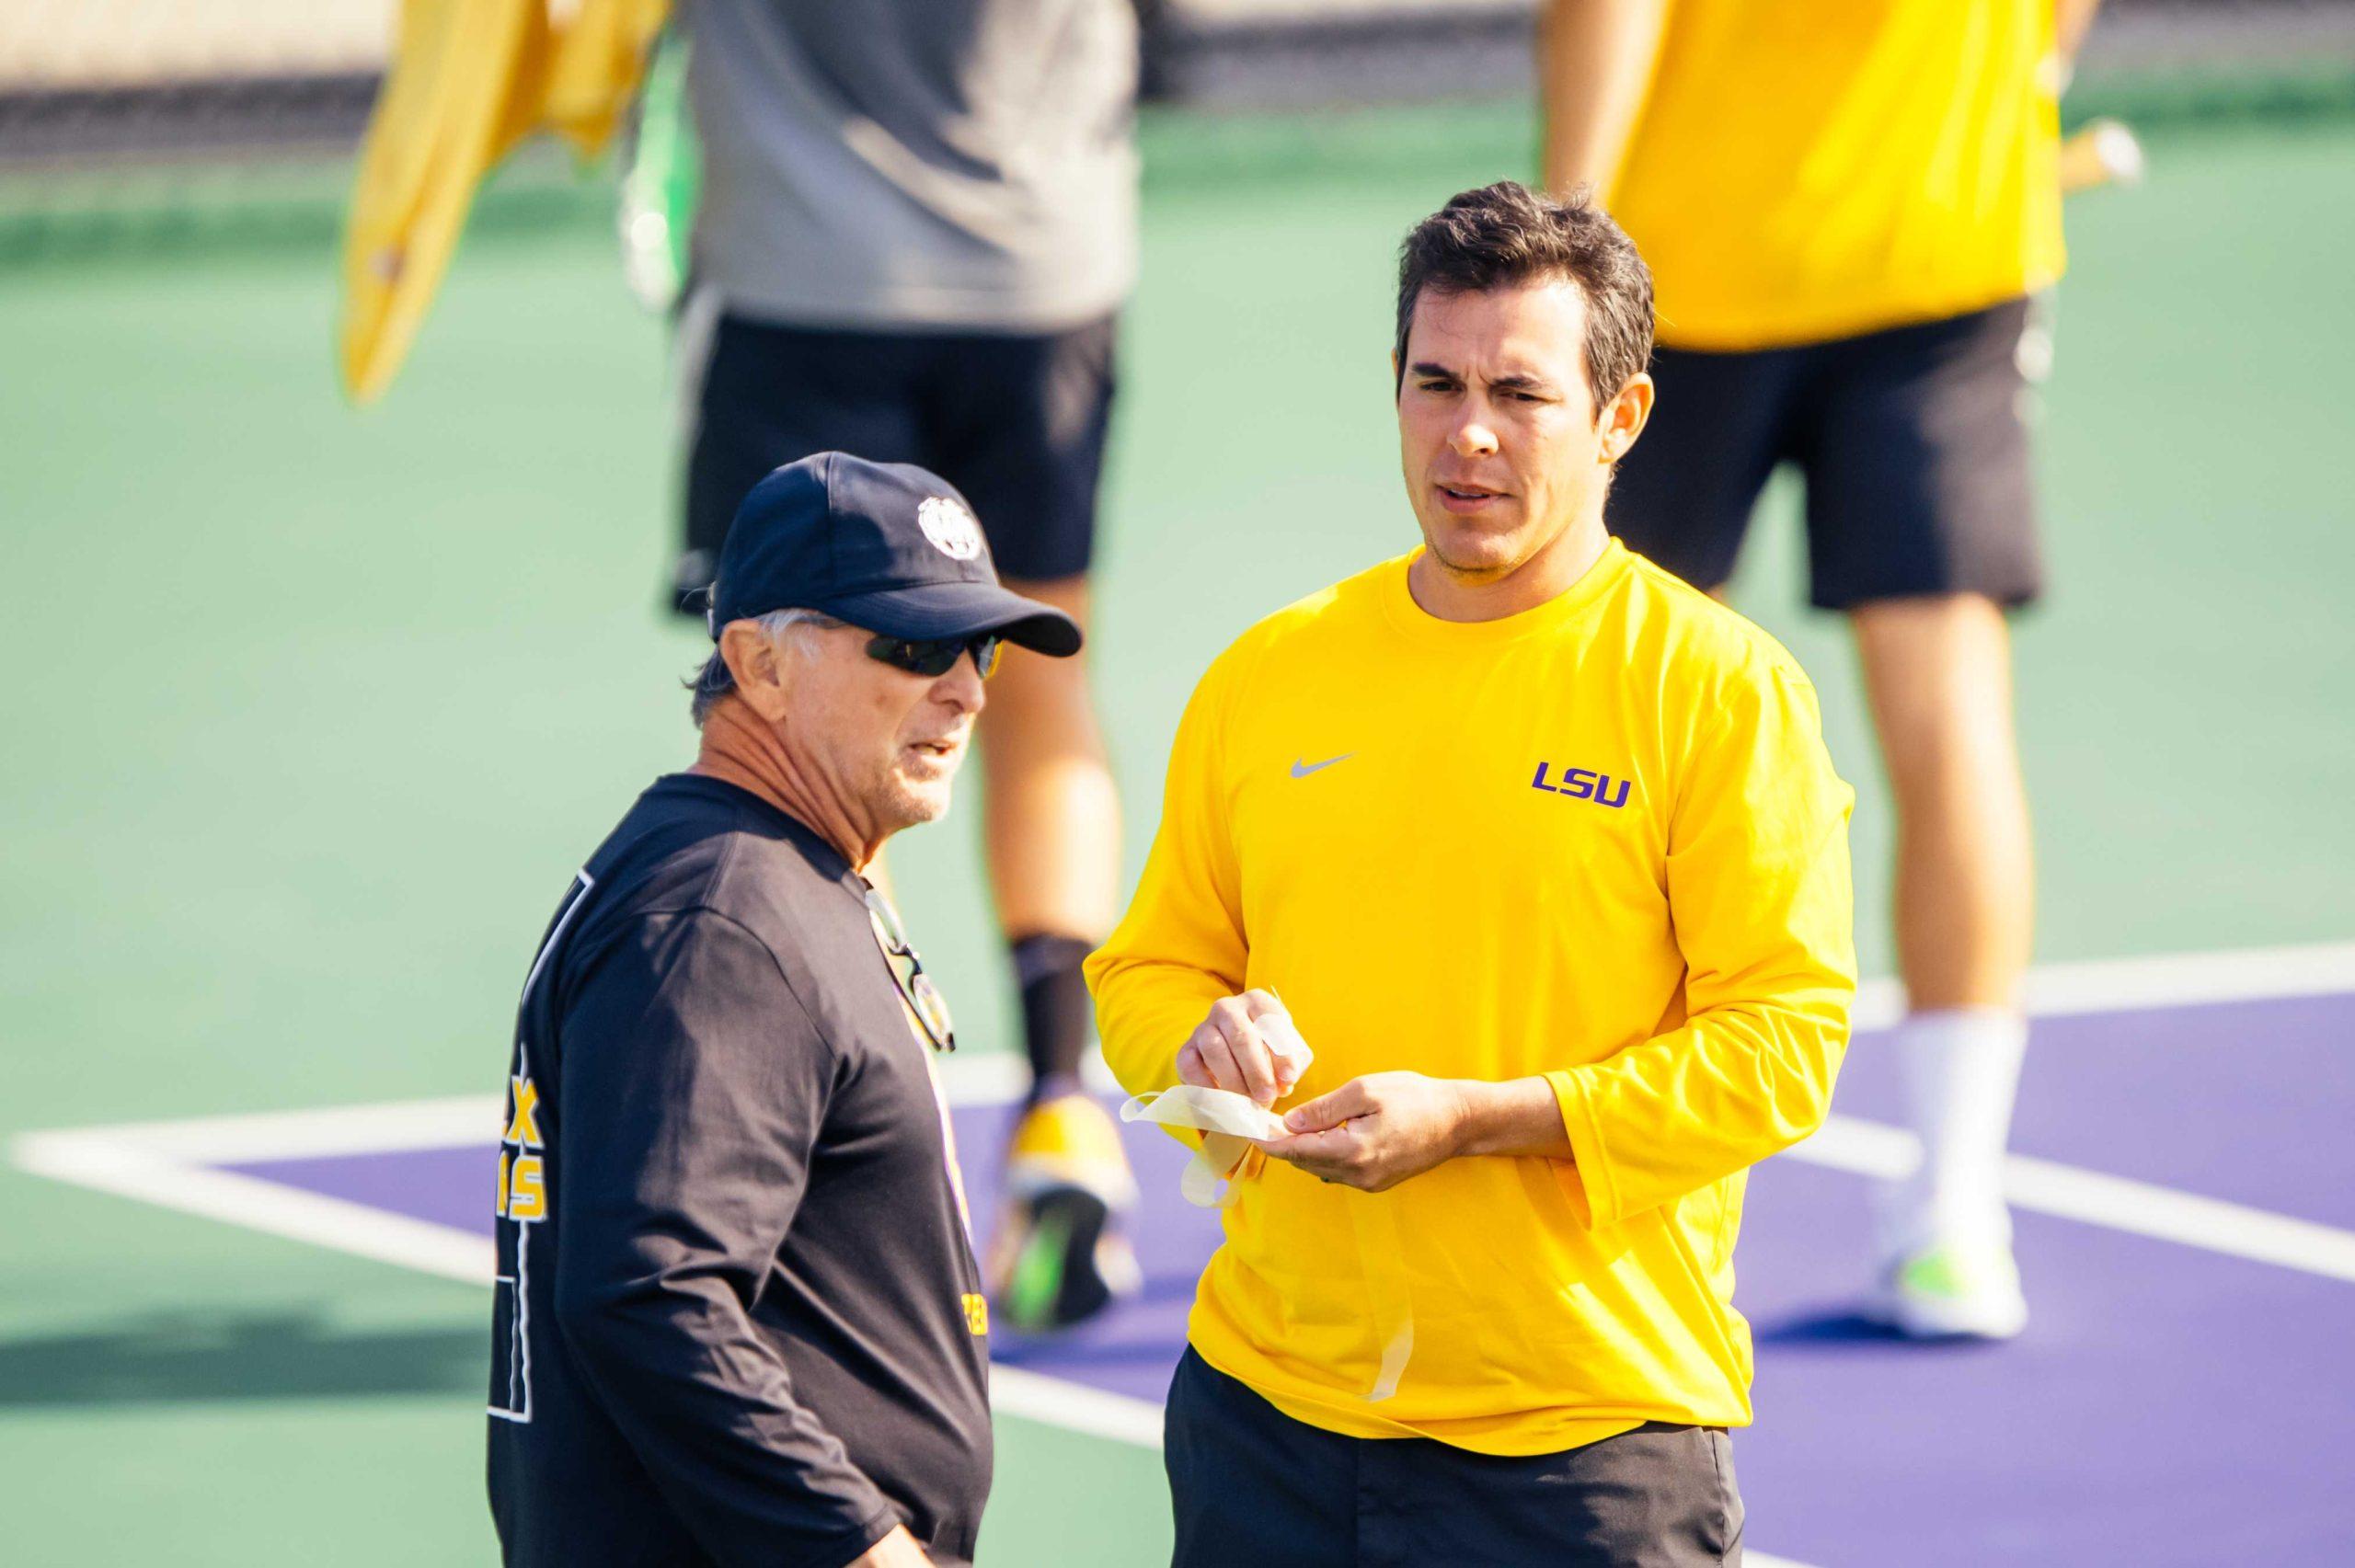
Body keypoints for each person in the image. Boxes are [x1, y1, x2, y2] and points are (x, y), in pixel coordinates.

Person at [1087, 183, 1855, 1567]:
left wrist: (1486, 1117)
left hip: (1586, 1444)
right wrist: (1198, 1040)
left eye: (1521, 391)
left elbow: (1783, 1046)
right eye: (1434, 383)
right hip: (1267, 1420)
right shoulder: (1269, 677)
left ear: (1620, 420)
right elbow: (1146, 966)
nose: (1470, 433)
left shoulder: (1719, 692)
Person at [1540, 0, 2102, 1339]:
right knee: (1947, 713)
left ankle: (1610, 1202)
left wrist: (1557, 251)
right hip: (1946, 235)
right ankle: (1958, 1214)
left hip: (1684, 265)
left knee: (1621, 720)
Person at [488, 452, 1083, 1568]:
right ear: (757, 664)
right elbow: (652, 1298)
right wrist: (863, 1548)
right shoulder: (722, 921)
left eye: (979, 646)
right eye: (910, 648)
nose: (966, 689)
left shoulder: (759, 876)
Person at [662, 0, 1143, 1333]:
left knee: (799, 722)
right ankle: (1061, 1105)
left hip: (803, 276)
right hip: (1039, 278)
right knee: (1039, 694)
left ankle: (825, 1154)